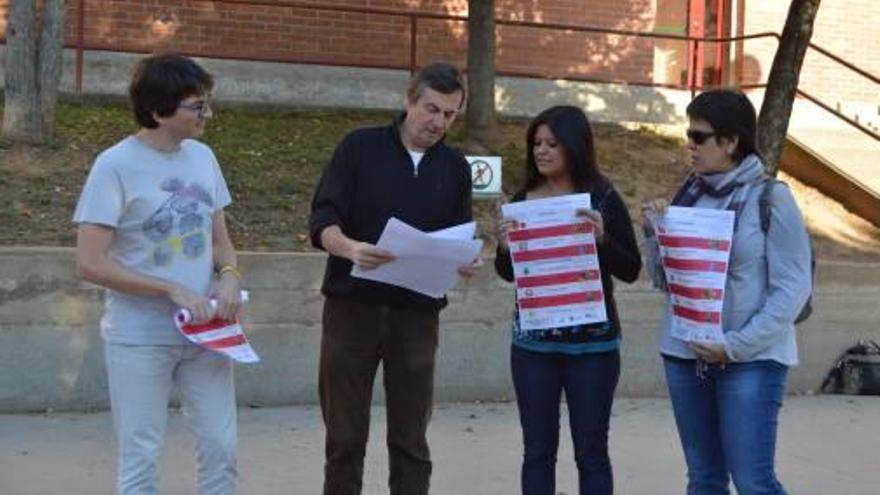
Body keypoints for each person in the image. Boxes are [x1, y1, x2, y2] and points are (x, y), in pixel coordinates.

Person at [74, 54, 241, 495]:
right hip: (139, 336)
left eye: (206, 103)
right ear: (157, 110)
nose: (208, 114)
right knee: (141, 454)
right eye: (197, 106)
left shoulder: (204, 158)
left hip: (207, 332)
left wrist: (228, 276)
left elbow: (220, 238)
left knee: (221, 447)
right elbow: (90, 262)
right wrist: (170, 288)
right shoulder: (114, 165)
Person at [308, 61, 478, 495]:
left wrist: (463, 260)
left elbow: (459, 231)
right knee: (344, 437)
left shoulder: (456, 167)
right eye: (431, 109)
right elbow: (322, 218)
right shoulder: (359, 147)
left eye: (450, 114)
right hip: (352, 309)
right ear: (408, 100)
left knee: (411, 440)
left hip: (417, 316)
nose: (438, 122)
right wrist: (349, 248)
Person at [642, 89, 812, 495]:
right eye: (688, 134)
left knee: (753, 482)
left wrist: (735, 345)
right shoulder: (690, 195)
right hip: (687, 356)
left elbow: (793, 287)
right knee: (704, 480)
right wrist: (655, 234)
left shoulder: (771, 198)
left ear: (731, 142)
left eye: (699, 137)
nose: (690, 145)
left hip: (750, 359)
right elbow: (668, 282)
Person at [494, 105, 642, 495]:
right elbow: (510, 274)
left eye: (551, 144)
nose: (541, 151)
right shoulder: (524, 198)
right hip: (532, 347)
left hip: (593, 348)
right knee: (537, 452)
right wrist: (504, 248)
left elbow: (630, 269)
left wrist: (602, 240)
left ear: (574, 146)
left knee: (591, 452)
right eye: (536, 143)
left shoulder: (602, 198)